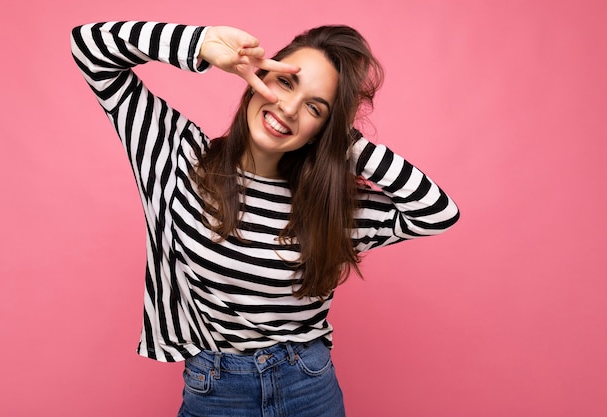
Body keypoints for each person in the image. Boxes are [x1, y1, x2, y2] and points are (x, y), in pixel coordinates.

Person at [71, 20, 459, 417]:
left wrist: (343, 138)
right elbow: (90, 46)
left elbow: (437, 211)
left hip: (309, 384)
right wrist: (201, 44)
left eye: (314, 108)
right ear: (259, 73)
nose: (288, 108)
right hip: (216, 390)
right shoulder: (176, 156)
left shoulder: (333, 205)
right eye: (286, 83)